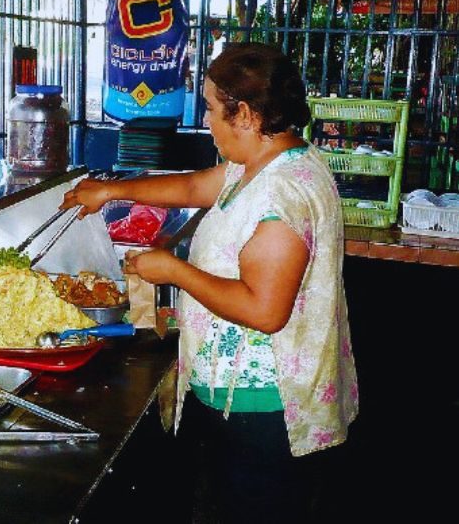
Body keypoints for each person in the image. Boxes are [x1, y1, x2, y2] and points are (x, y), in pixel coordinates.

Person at [61, 43, 358, 523]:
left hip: (265, 407)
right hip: (238, 398)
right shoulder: (264, 160)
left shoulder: (282, 195)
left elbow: (265, 311)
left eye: (211, 108)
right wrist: (111, 189)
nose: (206, 120)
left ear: (245, 115)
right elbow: (195, 186)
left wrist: (173, 271)